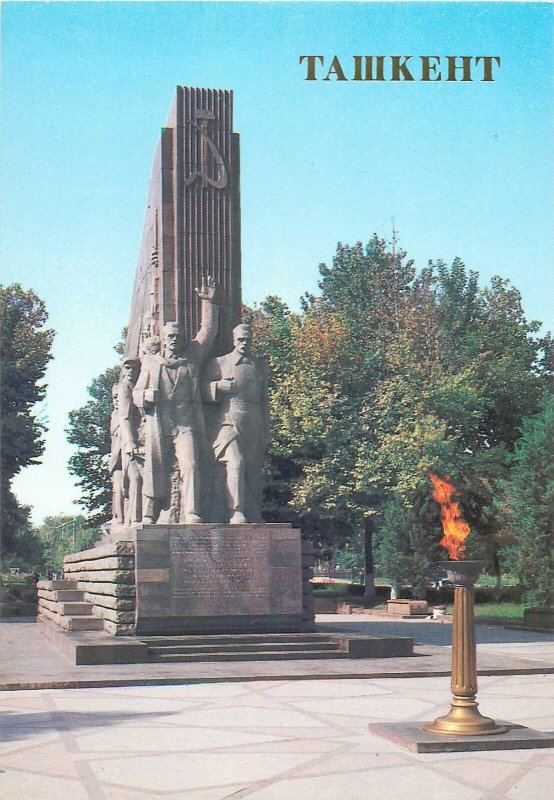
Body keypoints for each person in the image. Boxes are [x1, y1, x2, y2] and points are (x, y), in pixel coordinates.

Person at [133, 277, 219, 523]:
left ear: (182, 339)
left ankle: (191, 511)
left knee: (191, 465)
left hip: (185, 425)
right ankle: (149, 513)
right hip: (159, 424)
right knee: (154, 469)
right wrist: (146, 396)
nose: (174, 339)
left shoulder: (192, 358)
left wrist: (208, 303)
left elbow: (208, 333)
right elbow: (137, 393)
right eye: (170, 335)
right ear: (164, 338)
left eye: (178, 336)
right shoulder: (151, 363)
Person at [203, 322, 269, 523]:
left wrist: (267, 429)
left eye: (248, 340)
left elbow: (265, 400)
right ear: (234, 339)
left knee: (252, 468)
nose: (244, 343)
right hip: (228, 421)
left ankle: (253, 512)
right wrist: (218, 386)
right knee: (236, 463)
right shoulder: (220, 362)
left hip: (254, 421)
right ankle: (235, 510)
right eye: (240, 339)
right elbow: (200, 392)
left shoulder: (259, 365)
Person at [117, 357, 143, 525]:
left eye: (135, 368)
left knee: (139, 478)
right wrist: (130, 442)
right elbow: (124, 417)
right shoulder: (125, 387)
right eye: (128, 368)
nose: (132, 371)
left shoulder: (137, 386)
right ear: (123, 370)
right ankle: (133, 519)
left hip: (140, 440)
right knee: (136, 478)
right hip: (131, 443)